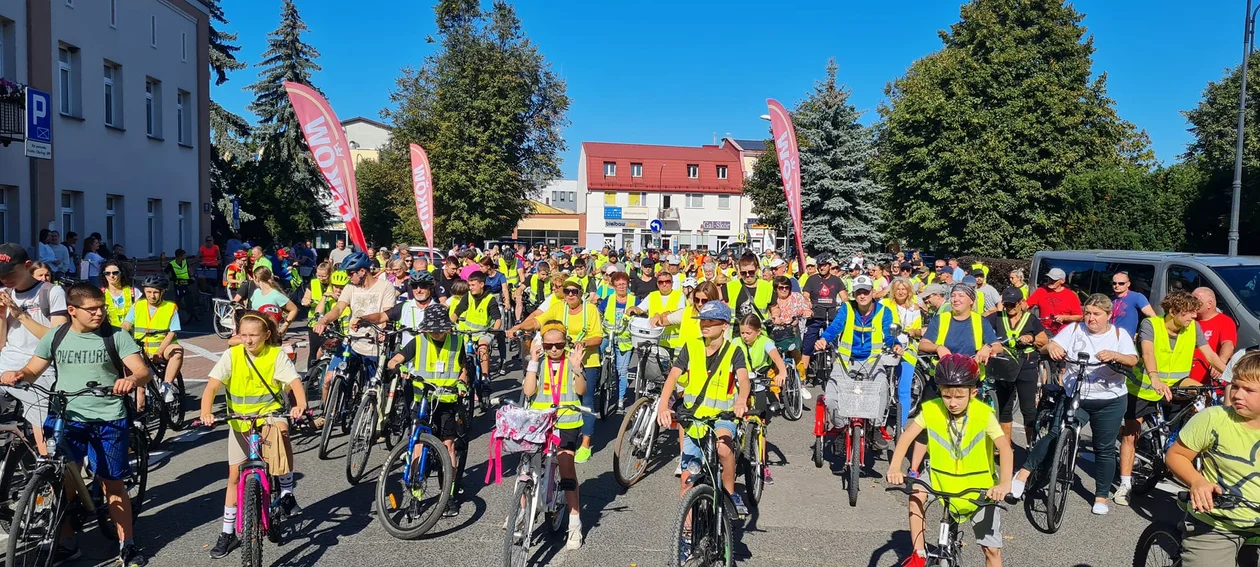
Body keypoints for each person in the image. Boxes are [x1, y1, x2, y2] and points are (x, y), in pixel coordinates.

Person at [0, 283, 153, 566]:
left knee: (112, 485)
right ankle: (68, 542)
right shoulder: (56, 336)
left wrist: (131, 379)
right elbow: (34, 369)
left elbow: (143, 371)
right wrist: (18, 374)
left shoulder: (116, 336)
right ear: (72, 310)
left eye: (102, 308)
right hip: (66, 416)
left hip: (107, 417)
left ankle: (126, 544)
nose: (99, 314)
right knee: (62, 482)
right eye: (91, 309)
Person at [1008, 294, 1136, 515]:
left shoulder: (1118, 334)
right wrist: (1053, 348)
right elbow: (1051, 344)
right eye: (1087, 313)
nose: (1090, 318)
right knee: (1055, 433)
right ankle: (1022, 475)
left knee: (1104, 448)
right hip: (1076, 395)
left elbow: (1132, 359)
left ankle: (1101, 496)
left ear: (1108, 315)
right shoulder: (1075, 330)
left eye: (1096, 314)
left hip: (1110, 400)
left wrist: (1116, 355)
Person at [886, 354, 1013, 567]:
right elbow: (907, 436)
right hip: (940, 476)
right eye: (946, 396)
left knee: (991, 549)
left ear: (973, 392)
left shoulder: (984, 414)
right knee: (916, 491)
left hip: (979, 486)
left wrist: (1005, 483)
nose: (952, 403)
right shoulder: (932, 409)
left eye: (959, 396)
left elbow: (1005, 449)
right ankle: (918, 553)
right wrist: (895, 467)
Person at [199, 311, 308, 559]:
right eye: (243, 335)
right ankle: (228, 533)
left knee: (282, 434)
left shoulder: (275, 355)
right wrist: (206, 412)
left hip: (270, 414)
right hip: (240, 422)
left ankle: (287, 492)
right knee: (234, 476)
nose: (248, 340)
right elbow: (212, 386)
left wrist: (299, 404)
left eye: (253, 336)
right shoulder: (232, 355)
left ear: (266, 335)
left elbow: (294, 383)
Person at [1116, 291, 1226, 506]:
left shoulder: (1193, 327)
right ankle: (1125, 484)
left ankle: (1179, 449)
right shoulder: (1151, 325)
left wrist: (1235, 378)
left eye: (1195, 313)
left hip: (1176, 384)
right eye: (1188, 314)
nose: (1193, 318)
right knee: (1131, 434)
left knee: (1203, 394)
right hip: (1145, 386)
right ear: (1173, 312)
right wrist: (1155, 379)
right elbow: (1148, 353)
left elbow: (1210, 355)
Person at [1165, 350, 1260, 567]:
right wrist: (1197, 481)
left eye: (1248, 390)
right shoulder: (1214, 418)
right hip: (1216, 524)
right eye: (1235, 386)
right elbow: (1176, 455)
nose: (1237, 395)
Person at [656, 301, 751, 515]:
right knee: (686, 480)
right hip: (694, 418)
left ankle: (730, 493)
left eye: (710, 321)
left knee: (724, 449)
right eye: (702, 321)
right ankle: (687, 532)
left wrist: (741, 399)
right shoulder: (691, 346)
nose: (704, 325)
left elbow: (744, 380)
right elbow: (673, 376)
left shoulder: (734, 351)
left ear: (725, 325)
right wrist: (663, 405)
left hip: (723, 415)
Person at [387, 304, 468, 517]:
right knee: (418, 447)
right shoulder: (419, 342)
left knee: (448, 446)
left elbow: (463, 369)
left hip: (447, 401)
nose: (436, 333)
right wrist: (399, 367)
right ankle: (416, 496)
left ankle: (448, 494)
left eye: (440, 329)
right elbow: (395, 360)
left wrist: (461, 382)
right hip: (422, 400)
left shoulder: (458, 342)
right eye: (432, 329)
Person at [518, 278, 602, 462]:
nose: (570, 294)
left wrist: (583, 343)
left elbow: (598, 337)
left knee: (585, 401)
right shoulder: (558, 307)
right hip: (560, 359)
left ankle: (585, 444)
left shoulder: (591, 309)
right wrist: (519, 326)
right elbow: (538, 321)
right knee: (558, 396)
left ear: (581, 292)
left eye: (574, 291)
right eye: (567, 291)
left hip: (585, 359)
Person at [520, 322, 588, 550]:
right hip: (541, 422)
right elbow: (529, 391)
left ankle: (575, 523)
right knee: (527, 467)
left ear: (566, 343)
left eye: (559, 344)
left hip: (567, 422)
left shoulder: (571, 361)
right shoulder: (539, 363)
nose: (554, 349)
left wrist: (578, 368)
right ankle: (521, 515)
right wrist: (533, 361)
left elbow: (580, 391)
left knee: (567, 468)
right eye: (549, 345)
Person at [0, 243, 71, 457]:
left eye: (10, 273)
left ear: (27, 266)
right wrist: (2, 316)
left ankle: (47, 474)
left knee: (43, 432)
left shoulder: (51, 292)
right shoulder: (4, 292)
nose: (5, 279)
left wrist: (20, 314)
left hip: (39, 368)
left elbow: (56, 339)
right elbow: (1, 343)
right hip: (6, 363)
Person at [814, 276, 900, 443]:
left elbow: (889, 335)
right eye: (858, 292)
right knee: (831, 398)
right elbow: (836, 327)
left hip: (872, 361)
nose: (862, 296)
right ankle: (840, 428)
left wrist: (895, 344)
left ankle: (875, 428)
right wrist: (824, 339)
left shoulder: (883, 311)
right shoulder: (847, 308)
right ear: (854, 294)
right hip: (845, 361)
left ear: (872, 293)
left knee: (882, 389)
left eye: (866, 292)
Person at [314, 252, 399, 413]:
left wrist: (382, 329)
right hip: (352, 342)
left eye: (350, 273)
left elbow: (386, 314)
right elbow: (339, 308)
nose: (348, 277)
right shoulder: (350, 288)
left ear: (362, 271)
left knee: (375, 388)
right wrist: (323, 321)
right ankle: (331, 414)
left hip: (373, 343)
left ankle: (373, 422)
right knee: (330, 377)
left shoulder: (385, 287)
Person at [985, 287, 1048, 444]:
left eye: (1012, 305)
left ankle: (1031, 446)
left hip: (1027, 365)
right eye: (1006, 305)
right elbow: (980, 327)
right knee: (1004, 407)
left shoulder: (1031, 319)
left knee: (1028, 408)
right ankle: (1005, 447)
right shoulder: (997, 317)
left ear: (1021, 303)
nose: (1009, 308)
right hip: (1004, 365)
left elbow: (1044, 340)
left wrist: (1031, 338)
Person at [737, 314, 787, 484]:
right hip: (739, 387)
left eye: (748, 333)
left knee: (760, 425)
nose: (745, 336)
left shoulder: (765, 341)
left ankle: (762, 464)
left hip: (758, 385)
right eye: (742, 332)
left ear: (758, 332)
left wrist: (782, 372)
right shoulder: (736, 343)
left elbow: (776, 357)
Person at [122, 275, 184, 405]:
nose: (152, 296)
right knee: (140, 384)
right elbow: (126, 324)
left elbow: (172, 332)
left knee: (178, 351)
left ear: (162, 292)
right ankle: (139, 416)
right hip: (140, 348)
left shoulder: (170, 307)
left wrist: (160, 351)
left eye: (155, 292)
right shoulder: (137, 305)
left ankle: (166, 386)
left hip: (163, 347)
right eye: (148, 292)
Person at [919, 285, 1003, 366]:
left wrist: (988, 348)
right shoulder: (940, 319)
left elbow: (998, 346)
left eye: (961, 295)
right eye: (953, 295)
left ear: (971, 300)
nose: (956, 299)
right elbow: (923, 344)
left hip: (972, 375)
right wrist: (938, 348)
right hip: (943, 375)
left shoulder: (981, 321)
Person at [884, 277, 925, 427]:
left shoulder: (914, 308)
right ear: (893, 291)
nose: (901, 292)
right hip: (887, 348)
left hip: (908, 349)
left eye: (904, 289)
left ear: (909, 292)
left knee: (904, 389)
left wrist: (914, 331)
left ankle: (900, 426)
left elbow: (918, 330)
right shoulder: (884, 305)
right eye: (898, 289)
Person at [448, 270, 503, 380]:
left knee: (482, 347)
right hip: (468, 333)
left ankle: (485, 376)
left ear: (481, 284)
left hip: (485, 332)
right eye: (469, 285)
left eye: (473, 285)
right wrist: (448, 326)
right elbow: (457, 312)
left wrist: (494, 331)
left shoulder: (490, 299)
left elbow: (497, 319)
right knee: (459, 351)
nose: (470, 288)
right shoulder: (468, 296)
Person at [801, 255, 845, 380]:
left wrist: (843, 305)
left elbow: (844, 297)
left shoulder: (836, 280)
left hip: (831, 316)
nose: (822, 268)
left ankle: (838, 374)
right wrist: (807, 303)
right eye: (820, 266)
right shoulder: (812, 279)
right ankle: (803, 378)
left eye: (824, 265)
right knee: (807, 346)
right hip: (815, 316)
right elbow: (805, 295)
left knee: (836, 346)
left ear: (829, 266)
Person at [599, 271, 635, 409]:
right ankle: (599, 380)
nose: (621, 287)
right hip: (607, 336)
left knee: (622, 371)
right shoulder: (609, 299)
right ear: (613, 286)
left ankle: (620, 399)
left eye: (624, 284)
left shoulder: (633, 300)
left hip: (624, 340)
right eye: (618, 284)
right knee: (594, 356)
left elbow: (640, 312)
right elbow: (599, 311)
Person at [232, 267, 298, 335]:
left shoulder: (276, 295)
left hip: (269, 333)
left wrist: (284, 327)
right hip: (254, 331)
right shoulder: (256, 292)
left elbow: (294, 309)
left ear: (256, 278)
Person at [1191, 287, 1236, 385]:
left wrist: (1220, 362)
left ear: (1209, 304)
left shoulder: (1224, 321)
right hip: (1188, 382)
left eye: (1195, 300)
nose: (1191, 303)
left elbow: (1228, 344)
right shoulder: (1189, 321)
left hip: (1211, 384)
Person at [1023, 267, 1082, 337]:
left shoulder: (1071, 295)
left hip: (1063, 334)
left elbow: (1080, 317)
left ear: (1062, 281)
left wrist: (1064, 318)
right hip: (1043, 331)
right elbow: (1026, 305)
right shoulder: (1041, 291)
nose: (1050, 281)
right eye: (1049, 278)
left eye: (1053, 280)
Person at [101, 260, 141, 329]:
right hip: (109, 334)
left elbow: (140, 313)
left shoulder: (134, 292)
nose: (111, 276)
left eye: (115, 273)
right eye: (107, 273)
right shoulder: (100, 294)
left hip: (131, 334)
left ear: (121, 273)